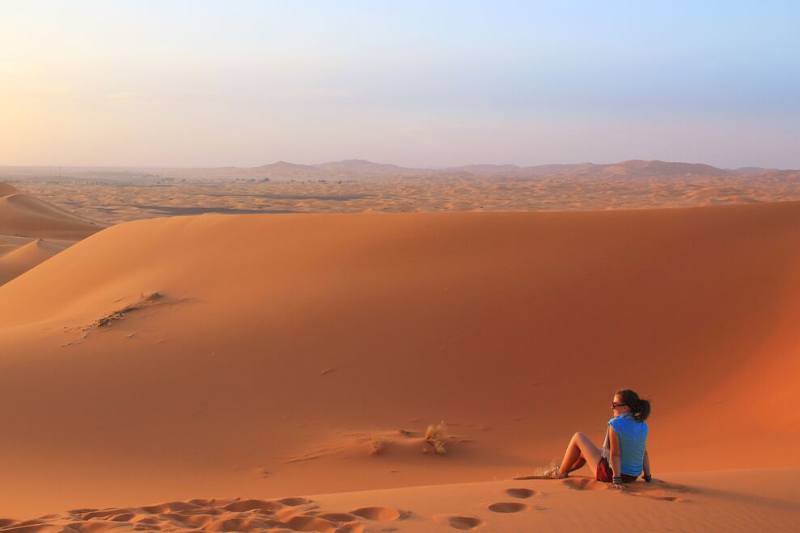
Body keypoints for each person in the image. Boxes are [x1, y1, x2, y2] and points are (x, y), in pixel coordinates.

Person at [544, 389, 652, 488]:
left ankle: (560, 473)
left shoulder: (615, 424)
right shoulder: (642, 425)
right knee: (585, 452)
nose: (612, 408)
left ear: (625, 408)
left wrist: (617, 480)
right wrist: (648, 476)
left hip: (612, 475)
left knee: (578, 436)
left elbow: (615, 454)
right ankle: (566, 470)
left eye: (615, 405)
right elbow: (644, 453)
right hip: (632, 477)